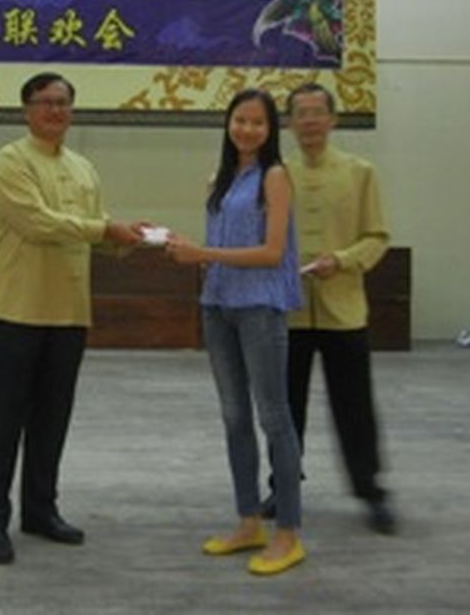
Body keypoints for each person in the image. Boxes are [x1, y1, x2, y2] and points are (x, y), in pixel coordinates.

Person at [0, 72, 145, 565]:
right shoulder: (10, 161)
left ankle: (40, 510)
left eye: (63, 102)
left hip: (69, 312)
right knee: (3, 420)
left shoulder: (83, 168)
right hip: (16, 309)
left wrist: (129, 240)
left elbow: (93, 234)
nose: (55, 110)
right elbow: (37, 223)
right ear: (26, 110)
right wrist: (106, 229)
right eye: (45, 102)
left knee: (53, 418)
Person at [166, 88, 306, 576]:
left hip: (259, 309)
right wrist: (186, 248)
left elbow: (272, 253)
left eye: (257, 122)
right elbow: (222, 242)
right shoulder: (222, 178)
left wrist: (202, 255)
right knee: (234, 417)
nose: (247, 129)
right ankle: (249, 522)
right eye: (239, 120)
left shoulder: (275, 177)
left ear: (271, 130)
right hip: (218, 306)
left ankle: (287, 533)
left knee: (274, 418)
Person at [271, 81, 396, 534]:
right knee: (284, 407)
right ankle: (282, 486)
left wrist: (341, 260)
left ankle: (370, 490)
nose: (309, 121)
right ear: (288, 123)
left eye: (316, 112)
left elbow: (377, 236)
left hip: (344, 310)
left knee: (354, 404)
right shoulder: (275, 175)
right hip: (287, 309)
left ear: (332, 119)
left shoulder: (360, 172)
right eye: (300, 113)